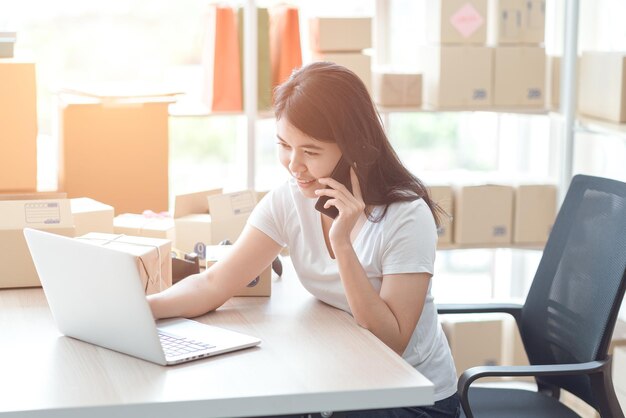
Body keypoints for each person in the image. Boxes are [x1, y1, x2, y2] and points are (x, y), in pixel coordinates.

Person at [148, 62, 460, 418]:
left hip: (412, 398)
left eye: (310, 152)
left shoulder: (405, 215)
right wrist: (143, 309)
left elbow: (391, 341)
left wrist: (342, 243)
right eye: (284, 145)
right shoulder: (291, 197)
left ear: (354, 148)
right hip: (344, 382)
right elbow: (215, 282)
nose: (294, 166)